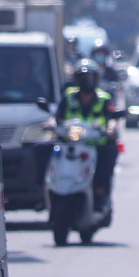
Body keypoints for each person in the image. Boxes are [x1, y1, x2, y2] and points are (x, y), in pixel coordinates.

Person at [52, 59, 119, 211]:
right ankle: (49, 186)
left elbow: (112, 119)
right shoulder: (68, 97)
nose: (86, 81)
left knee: (109, 151)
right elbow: (57, 117)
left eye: (90, 77)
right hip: (70, 145)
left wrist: (110, 129)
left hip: (95, 145)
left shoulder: (104, 98)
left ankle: (100, 193)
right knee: (42, 148)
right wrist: (51, 124)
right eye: (82, 77)